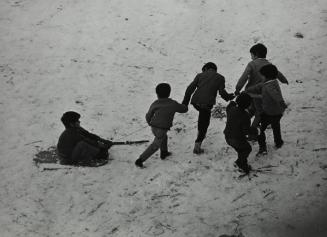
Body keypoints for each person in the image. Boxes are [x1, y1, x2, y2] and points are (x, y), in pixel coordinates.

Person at [234, 43, 289, 140]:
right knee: (258, 112)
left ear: (255, 54)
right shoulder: (269, 65)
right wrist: (283, 80)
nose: (251, 57)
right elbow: (277, 73)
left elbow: (244, 77)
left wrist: (238, 88)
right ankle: (247, 129)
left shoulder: (252, 64)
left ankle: (249, 131)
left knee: (255, 112)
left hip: (252, 92)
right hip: (262, 94)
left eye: (251, 55)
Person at [182, 62, 234, 154]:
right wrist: (229, 97)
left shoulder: (200, 75)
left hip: (195, 102)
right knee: (204, 124)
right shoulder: (220, 77)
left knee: (202, 117)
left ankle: (199, 136)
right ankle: (197, 146)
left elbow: (190, 89)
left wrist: (185, 103)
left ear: (205, 68)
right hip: (206, 104)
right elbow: (222, 93)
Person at [135, 83, 188, 168]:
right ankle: (140, 160)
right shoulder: (173, 104)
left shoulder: (156, 103)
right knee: (155, 145)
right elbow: (184, 109)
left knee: (164, 137)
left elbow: (148, 115)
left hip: (154, 127)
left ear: (157, 94)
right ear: (169, 93)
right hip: (161, 128)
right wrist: (185, 102)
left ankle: (164, 152)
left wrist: (149, 122)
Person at [245, 64, 287, 156]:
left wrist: (251, 95)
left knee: (260, 130)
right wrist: (248, 90)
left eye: (261, 76)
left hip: (269, 113)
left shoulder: (269, 87)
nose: (260, 77)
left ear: (266, 77)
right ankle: (279, 142)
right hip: (278, 112)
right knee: (276, 126)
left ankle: (263, 148)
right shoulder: (272, 82)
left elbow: (274, 96)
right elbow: (260, 86)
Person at [224, 93, 253, 174]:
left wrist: (232, 102)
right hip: (237, 139)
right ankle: (241, 164)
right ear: (247, 105)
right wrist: (254, 131)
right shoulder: (245, 116)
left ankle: (241, 162)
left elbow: (228, 107)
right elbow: (246, 131)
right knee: (247, 149)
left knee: (241, 150)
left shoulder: (231, 109)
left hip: (227, 136)